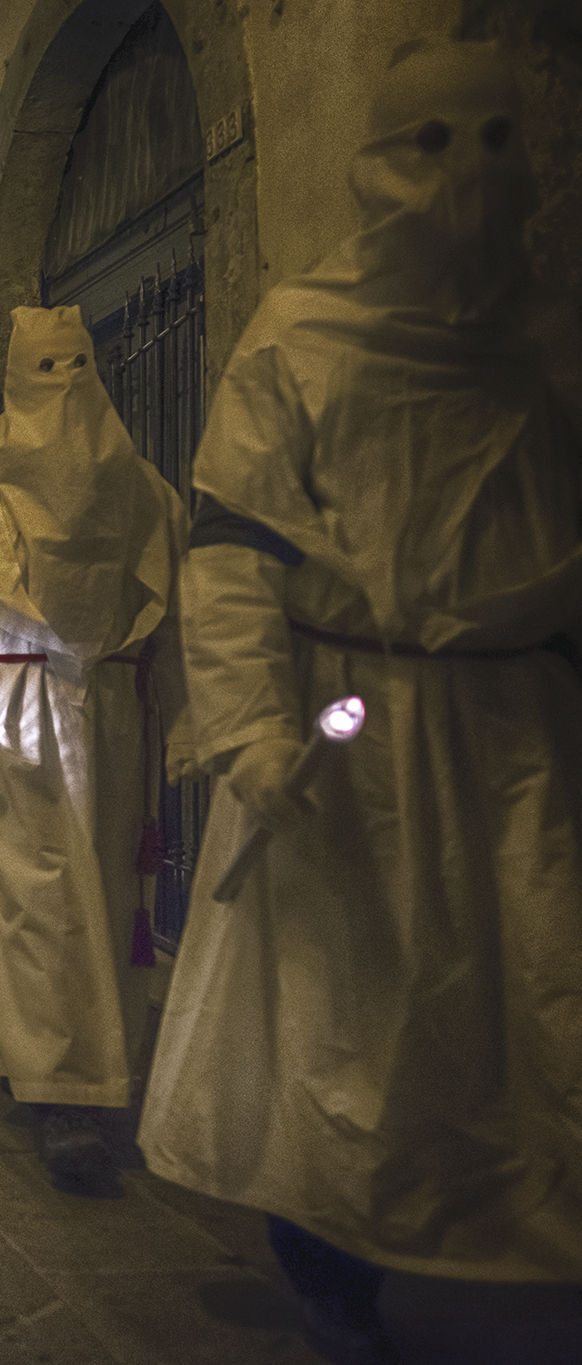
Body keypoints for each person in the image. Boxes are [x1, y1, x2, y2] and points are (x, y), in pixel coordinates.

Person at [139, 40, 582, 1365]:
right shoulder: (302, 335)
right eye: (432, 142)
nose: (468, 177)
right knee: (357, 1014)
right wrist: (253, 726)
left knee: (528, 992)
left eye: (495, 138)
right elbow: (231, 553)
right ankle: (337, 1254)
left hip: (517, 737)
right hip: (351, 737)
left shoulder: (554, 336)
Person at [0, 304, 186, 1197]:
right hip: (10, 710)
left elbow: (179, 617)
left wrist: (186, 723)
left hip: (110, 715)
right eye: (46, 367)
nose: (63, 383)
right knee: (32, 901)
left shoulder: (142, 490)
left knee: (100, 893)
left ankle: (102, 1072)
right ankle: (61, 1090)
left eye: (77, 365)